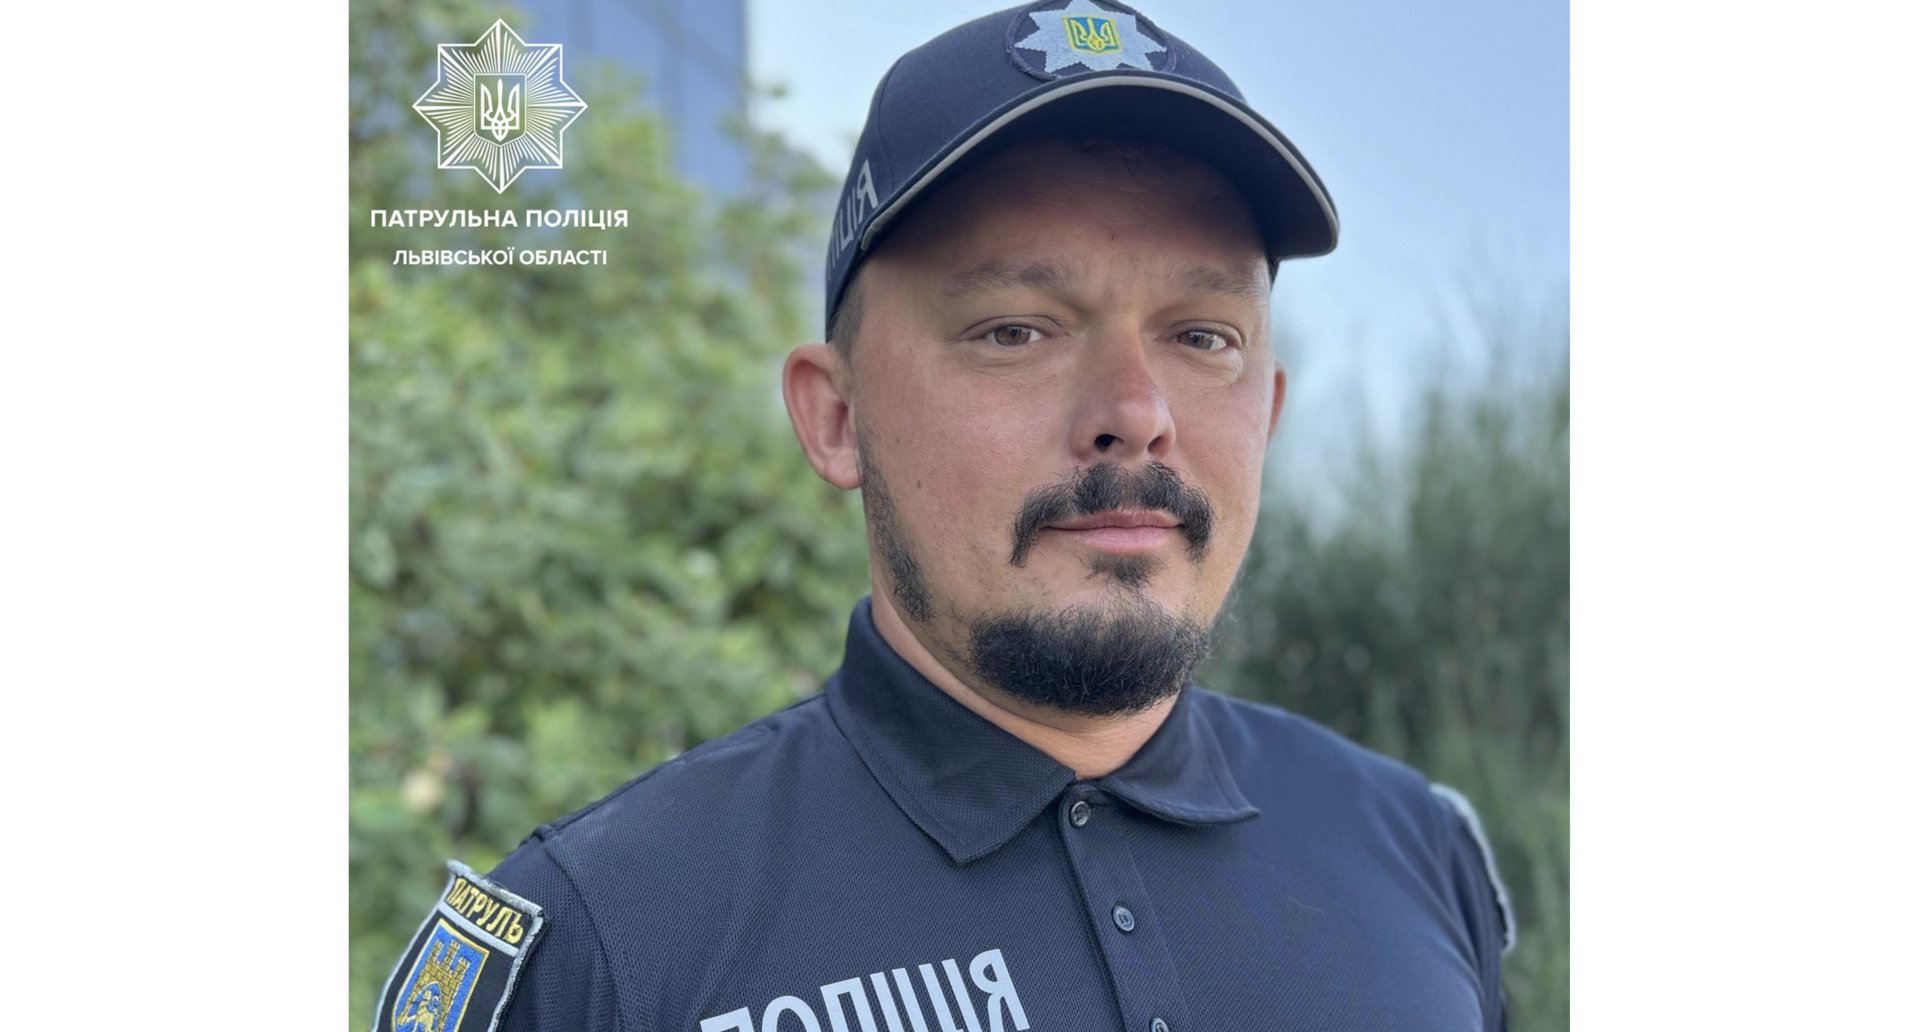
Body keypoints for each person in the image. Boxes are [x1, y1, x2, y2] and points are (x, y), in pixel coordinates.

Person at [372, 3, 1514, 1030]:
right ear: (837, 418)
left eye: (1202, 336)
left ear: (1266, 413)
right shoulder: (601, 947)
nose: (1136, 415)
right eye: (1015, 330)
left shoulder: (1418, 850)